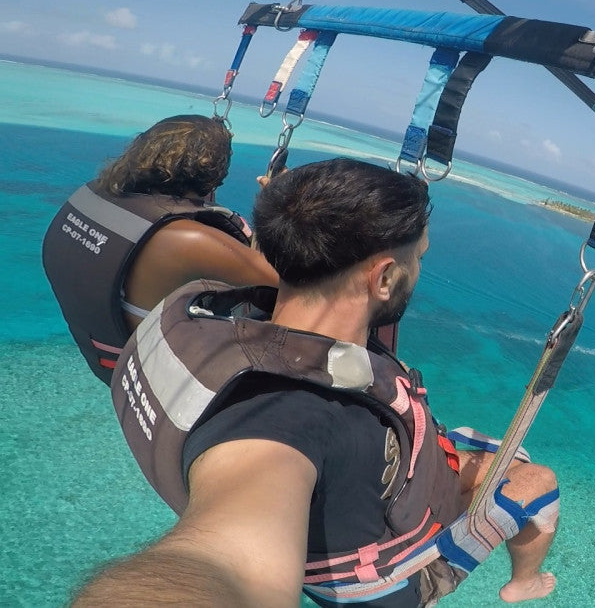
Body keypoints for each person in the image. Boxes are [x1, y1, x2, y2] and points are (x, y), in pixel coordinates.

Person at [73, 158, 560, 607]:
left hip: (347, 498)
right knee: (535, 479)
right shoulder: (292, 420)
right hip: (378, 585)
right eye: (420, 259)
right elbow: (227, 564)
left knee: (487, 451)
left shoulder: (234, 317)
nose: (420, 271)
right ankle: (524, 585)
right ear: (385, 279)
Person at [41, 114, 279, 384]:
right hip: (154, 378)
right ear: (214, 178)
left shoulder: (90, 198)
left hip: (105, 358)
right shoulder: (187, 240)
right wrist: (277, 205)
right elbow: (286, 284)